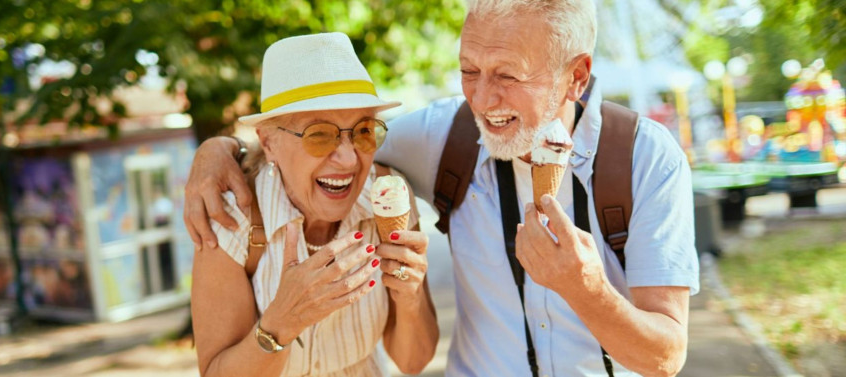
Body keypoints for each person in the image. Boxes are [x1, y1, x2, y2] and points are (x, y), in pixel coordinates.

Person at [186, 0, 699, 375]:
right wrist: (212, 155)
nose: (481, 98)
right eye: (468, 71)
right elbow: (309, 147)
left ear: (576, 76)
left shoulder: (644, 160)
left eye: (508, 75)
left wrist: (584, 289)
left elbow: (665, 357)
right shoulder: (441, 137)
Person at [190, 32, 439, 377]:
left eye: (364, 130)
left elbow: (414, 362)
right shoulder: (231, 220)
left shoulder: (388, 198)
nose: (350, 159)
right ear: (270, 142)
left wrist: (410, 298)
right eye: (320, 135)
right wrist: (282, 323)